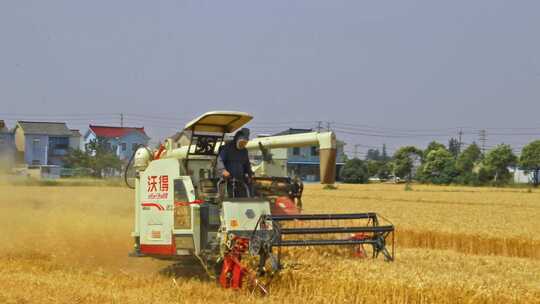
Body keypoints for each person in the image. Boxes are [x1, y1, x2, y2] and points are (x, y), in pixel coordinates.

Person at [217, 128, 253, 197]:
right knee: (229, 197)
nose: (243, 145)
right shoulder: (226, 148)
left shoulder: (244, 151)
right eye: (242, 142)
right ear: (237, 140)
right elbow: (220, 160)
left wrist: (250, 175)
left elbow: (247, 164)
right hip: (227, 180)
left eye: (245, 143)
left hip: (240, 180)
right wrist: (223, 171)